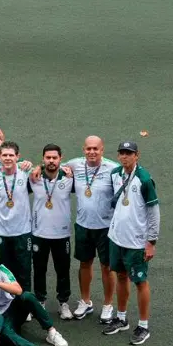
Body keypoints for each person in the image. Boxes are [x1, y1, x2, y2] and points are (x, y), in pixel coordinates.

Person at [103, 141, 160, 345]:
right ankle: (121, 317)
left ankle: (143, 326)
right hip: (116, 238)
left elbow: (153, 212)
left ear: (137, 155)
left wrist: (151, 241)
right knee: (120, 276)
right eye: (122, 153)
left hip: (136, 242)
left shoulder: (144, 179)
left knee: (140, 282)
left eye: (129, 153)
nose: (125, 156)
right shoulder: (115, 174)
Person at [65, 136, 118, 322]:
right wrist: (38, 168)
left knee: (107, 266)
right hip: (82, 224)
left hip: (106, 227)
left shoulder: (113, 169)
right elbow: (54, 167)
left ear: (102, 150)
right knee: (84, 263)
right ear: (83, 149)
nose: (92, 152)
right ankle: (85, 302)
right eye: (88, 149)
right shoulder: (74, 164)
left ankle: (108, 304)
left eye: (96, 149)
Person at [0, 141, 33, 292]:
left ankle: (25, 306)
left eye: (11, 155)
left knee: (24, 269)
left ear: (18, 157)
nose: (8, 158)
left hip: (23, 231)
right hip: (1, 231)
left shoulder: (25, 171)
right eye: (4, 155)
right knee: (4, 270)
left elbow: (45, 170)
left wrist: (65, 170)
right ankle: (8, 304)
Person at [30, 144, 74, 320]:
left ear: (60, 158)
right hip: (39, 233)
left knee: (63, 269)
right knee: (39, 269)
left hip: (62, 234)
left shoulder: (69, 177)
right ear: (43, 159)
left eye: (54, 158)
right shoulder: (34, 177)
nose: (51, 161)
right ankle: (40, 301)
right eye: (47, 158)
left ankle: (63, 302)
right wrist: (35, 168)